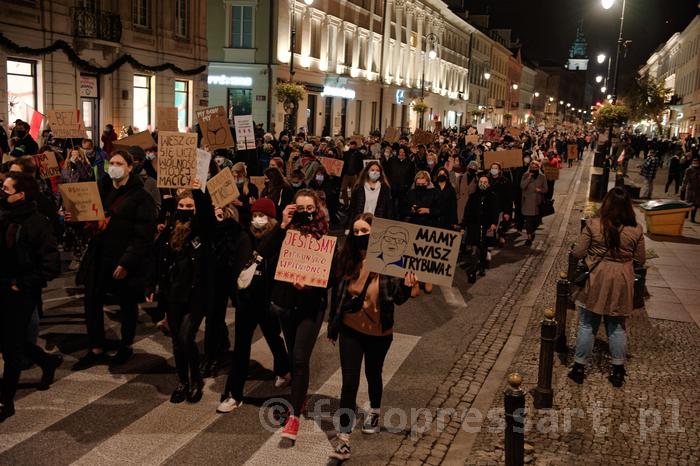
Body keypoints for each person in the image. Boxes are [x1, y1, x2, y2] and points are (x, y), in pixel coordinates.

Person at [327, 213, 416, 461]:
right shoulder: (348, 258)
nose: (359, 236)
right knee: (350, 382)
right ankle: (343, 437)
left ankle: (374, 411)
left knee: (373, 373)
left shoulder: (391, 259)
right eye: (355, 232)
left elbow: (397, 298)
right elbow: (338, 296)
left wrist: (407, 285)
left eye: (364, 231)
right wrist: (333, 327)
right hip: (350, 329)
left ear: (375, 233)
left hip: (379, 331)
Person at [73, 150, 157, 369]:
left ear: (130, 167)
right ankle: (96, 348)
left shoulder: (141, 197)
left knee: (127, 304)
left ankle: (125, 345)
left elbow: (143, 236)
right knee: (92, 300)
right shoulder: (102, 190)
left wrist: (127, 262)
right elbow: (89, 219)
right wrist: (74, 217)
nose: (114, 166)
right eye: (112, 162)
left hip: (122, 259)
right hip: (99, 256)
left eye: (119, 163)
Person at [264, 189, 331, 445]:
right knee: (294, 357)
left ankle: (293, 415)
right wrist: (282, 224)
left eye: (309, 209)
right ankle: (299, 397)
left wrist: (312, 284)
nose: (304, 213)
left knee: (301, 359)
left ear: (317, 209)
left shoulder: (324, 236)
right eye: (299, 208)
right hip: (286, 304)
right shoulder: (284, 232)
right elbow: (264, 251)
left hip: (311, 306)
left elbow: (332, 276)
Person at [217, 198, 291, 413]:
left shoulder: (279, 237)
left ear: (271, 219)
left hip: (268, 302)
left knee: (273, 337)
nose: (257, 220)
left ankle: (285, 370)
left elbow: (267, 251)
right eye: (255, 215)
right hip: (247, 303)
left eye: (263, 216)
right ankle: (234, 394)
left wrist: (282, 228)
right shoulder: (244, 237)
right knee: (241, 348)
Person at [568, 187, 645, 388]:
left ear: (607, 203)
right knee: (617, 326)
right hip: (622, 279)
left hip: (597, 277)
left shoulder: (594, 225)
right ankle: (618, 369)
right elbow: (641, 259)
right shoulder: (636, 229)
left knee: (587, 323)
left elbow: (577, 253)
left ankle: (579, 367)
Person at [0, 172, 62, 422]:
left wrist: (23, 284)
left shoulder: (37, 223)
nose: (2, 193)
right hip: (3, 286)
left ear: (20, 195)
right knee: (7, 340)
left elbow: (51, 265)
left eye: (6, 189)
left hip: (22, 292)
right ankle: (46, 362)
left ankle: (6, 400)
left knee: (12, 346)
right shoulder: (4, 217)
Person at [148, 186, 217, 403]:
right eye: (181, 206)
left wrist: (198, 192)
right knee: (177, 341)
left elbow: (206, 215)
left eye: (189, 206)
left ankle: (195, 380)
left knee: (187, 337)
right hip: (173, 295)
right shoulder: (168, 231)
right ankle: (182, 381)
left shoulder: (202, 230)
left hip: (195, 295)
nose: (185, 209)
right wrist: (151, 286)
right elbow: (157, 259)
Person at [402, 171, 441, 296]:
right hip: (414, 226)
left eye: (422, 183)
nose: (420, 185)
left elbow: (441, 209)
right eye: (418, 183)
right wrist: (411, 210)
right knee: (414, 256)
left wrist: (428, 210)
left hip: (430, 226)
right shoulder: (411, 193)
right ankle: (415, 282)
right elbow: (403, 208)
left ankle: (428, 278)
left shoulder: (435, 193)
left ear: (428, 183)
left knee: (428, 255)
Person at [461, 175, 499, 283]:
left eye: (485, 182)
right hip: (474, 226)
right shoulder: (473, 196)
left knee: (483, 248)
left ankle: (482, 265)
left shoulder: (492, 196)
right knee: (474, 250)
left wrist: (494, 223)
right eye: (481, 182)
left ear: (488, 184)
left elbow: (495, 211)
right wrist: (464, 226)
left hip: (486, 226)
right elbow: (467, 212)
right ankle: (472, 271)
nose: (483, 184)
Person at [346, 161, 393, 232]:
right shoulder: (359, 188)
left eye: (377, 170)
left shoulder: (385, 189)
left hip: (377, 225)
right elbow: (352, 208)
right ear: (367, 172)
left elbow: (388, 210)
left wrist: (388, 227)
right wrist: (349, 226)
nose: (375, 172)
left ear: (380, 173)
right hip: (361, 223)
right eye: (372, 170)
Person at [520, 161, 548, 246]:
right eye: (532, 168)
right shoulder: (525, 175)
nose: (534, 169)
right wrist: (528, 178)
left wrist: (540, 190)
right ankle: (528, 237)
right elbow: (522, 186)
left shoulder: (542, 177)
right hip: (527, 202)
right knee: (528, 222)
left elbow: (546, 189)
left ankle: (532, 232)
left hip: (537, 203)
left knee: (535, 222)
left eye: (535, 167)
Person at [681, 157, 700, 223]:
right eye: (694, 162)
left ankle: (692, 218)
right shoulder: (689, 170)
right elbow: (685, 179)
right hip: (690, 189)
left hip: (698, 190)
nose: (696, 163)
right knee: (688, 203)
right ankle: (686, 215)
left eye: (697, 162)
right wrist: (683, 187)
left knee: (696, 204)